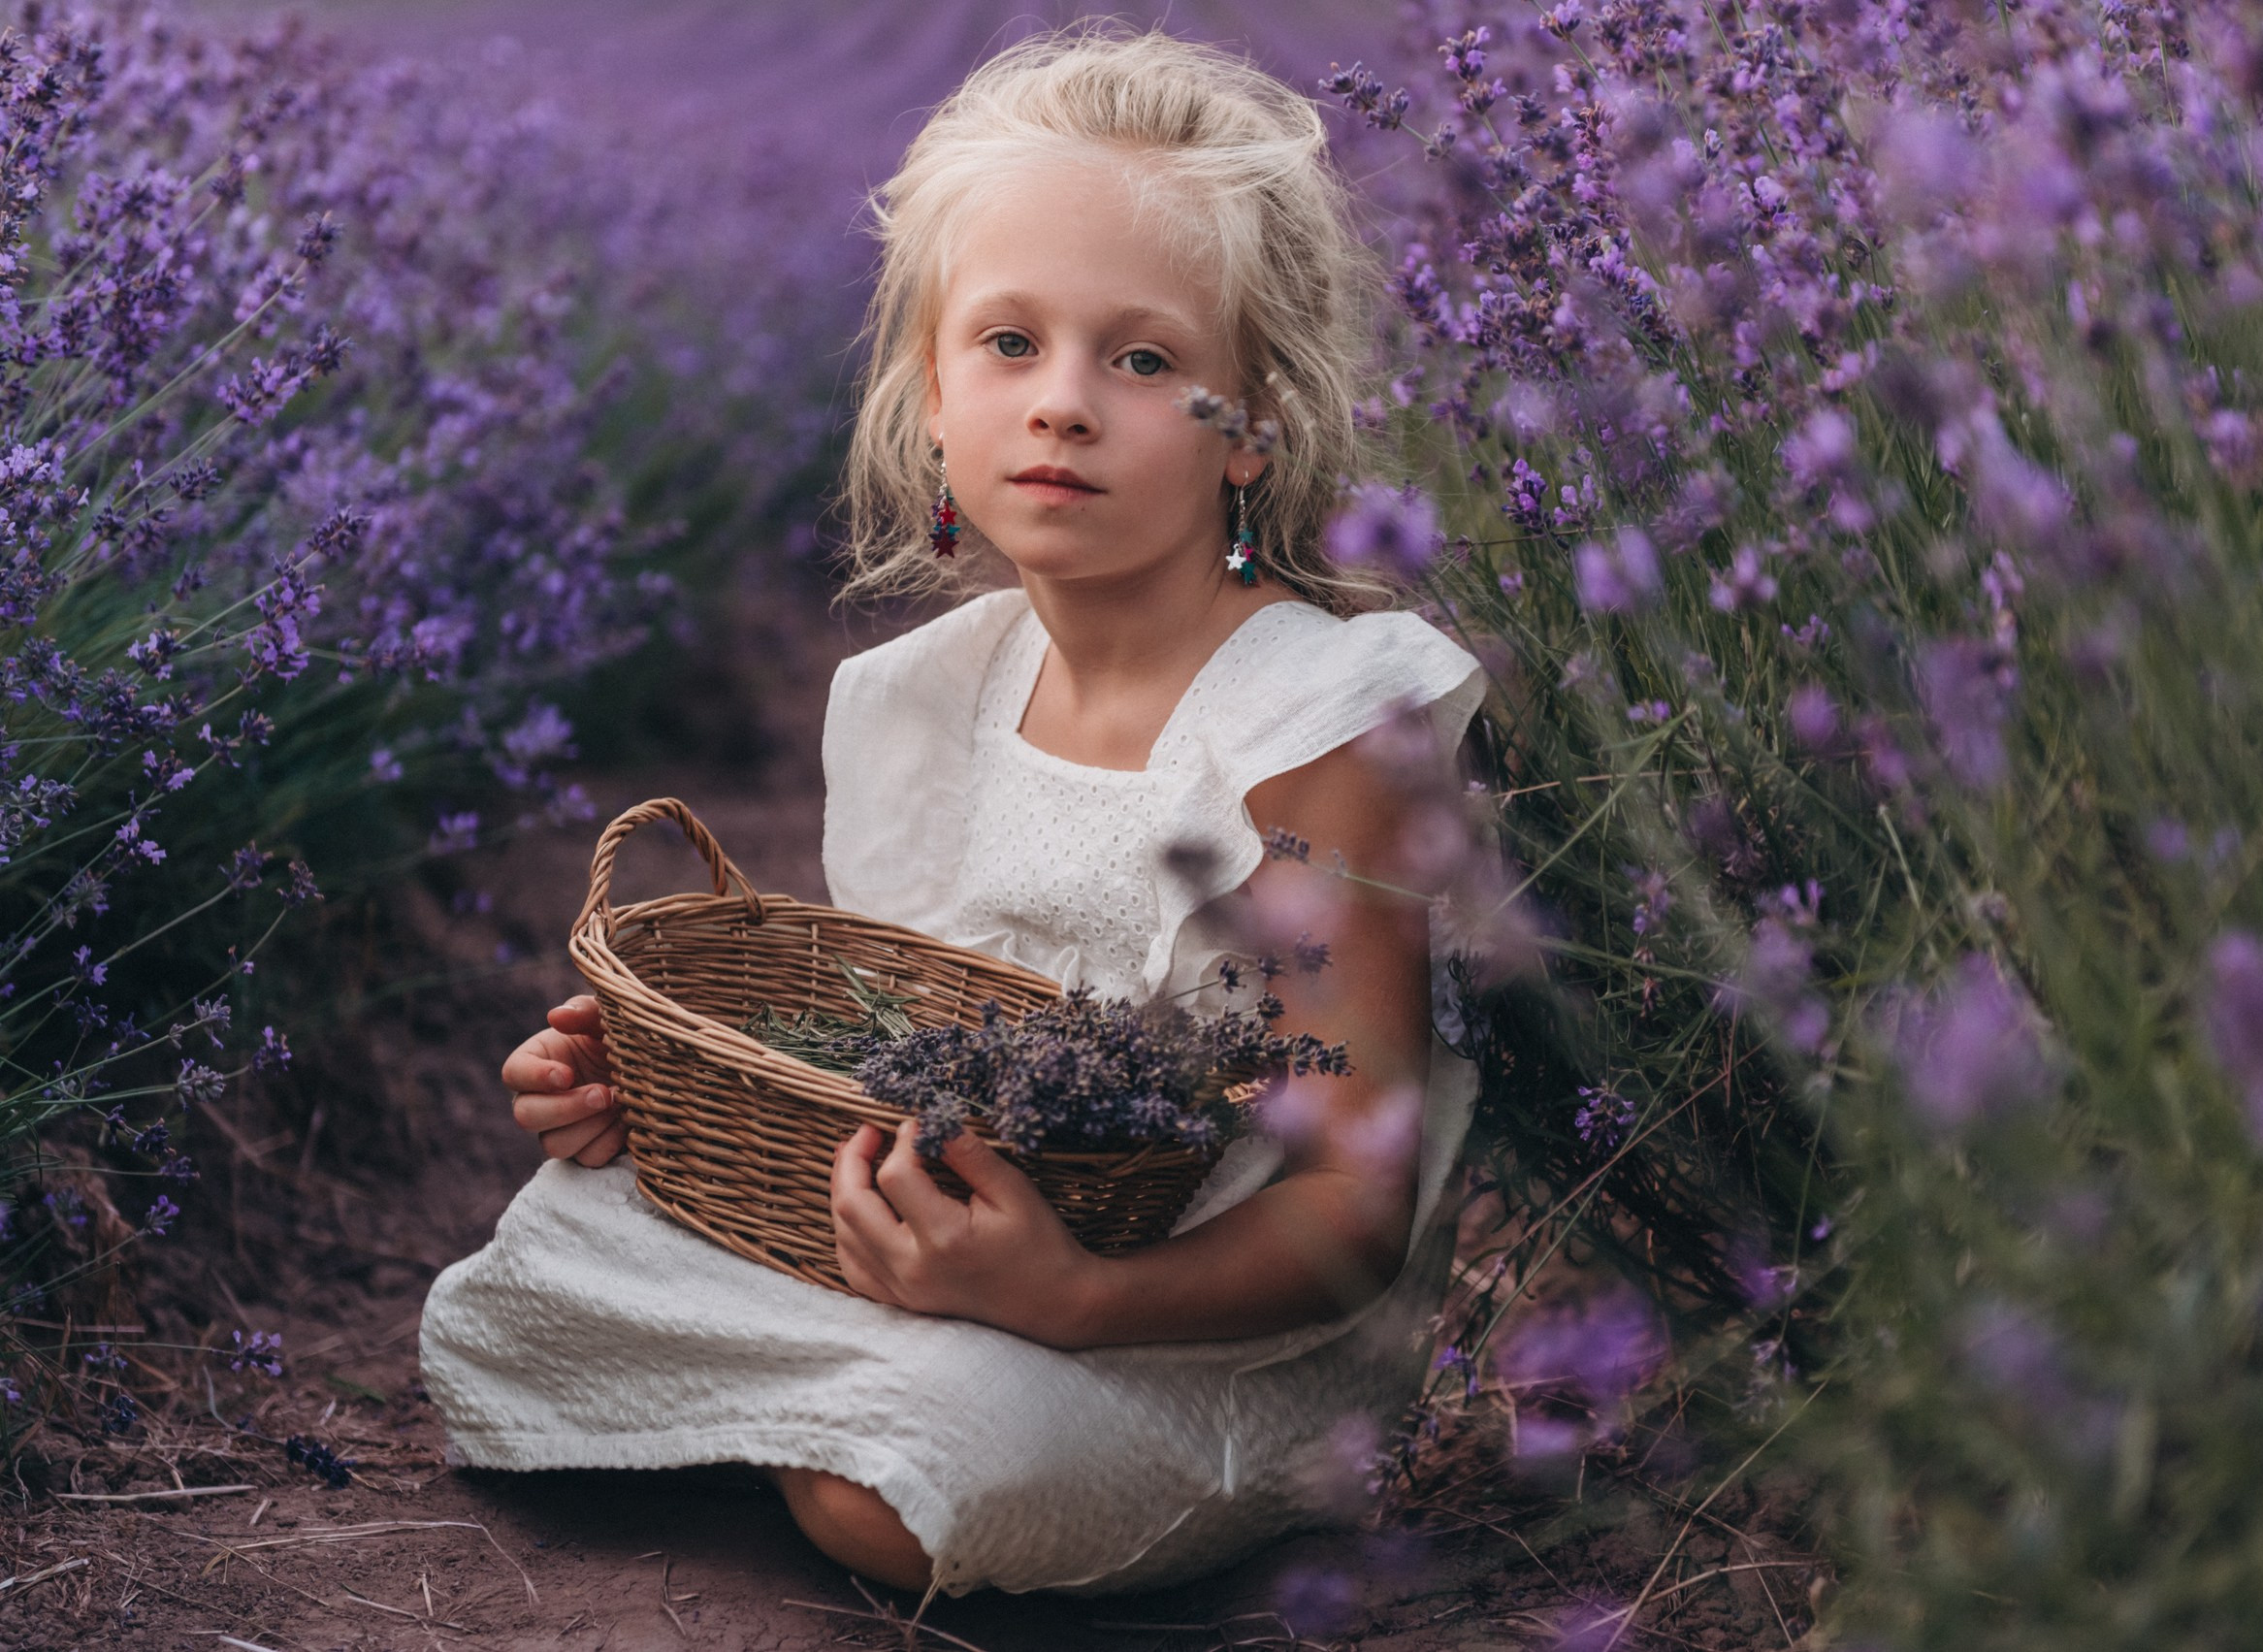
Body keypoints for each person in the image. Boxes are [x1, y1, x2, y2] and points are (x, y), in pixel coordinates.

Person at [418, 25, 1487, 1599]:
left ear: (1251, 424)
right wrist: (653, 1091)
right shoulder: (932, 695)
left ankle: (842, 1423)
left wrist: (1068, 1301)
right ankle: (840, 1393)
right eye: (1007, 344)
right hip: (967, 1267)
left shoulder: (1315, 732)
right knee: (520, 1275)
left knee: (902, 1485)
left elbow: (1351, 1203)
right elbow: (899, 1069)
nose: (1061, 405)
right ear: (930, 397)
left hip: (1208, 1337)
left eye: (1141, 360)